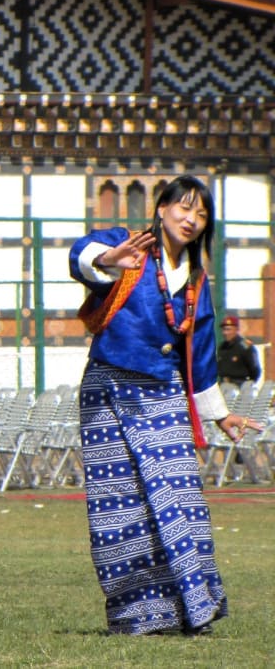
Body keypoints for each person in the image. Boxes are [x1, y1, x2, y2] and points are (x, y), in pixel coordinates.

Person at [69, 174, 258, 635]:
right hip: (107, 389)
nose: (191, 219)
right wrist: (109, 260)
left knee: (181, 496)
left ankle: (196, 605)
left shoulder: (196, 279)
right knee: (120, 505)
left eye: (201, 214)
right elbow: (81, 255)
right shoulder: (127, 244)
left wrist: (220, 414)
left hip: (165, 393)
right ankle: (140, 615)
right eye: (184, 207)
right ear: (161, 208)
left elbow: (202, 351)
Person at [216, 316, 260, 387]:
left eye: (228, 329)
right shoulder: (222, 347)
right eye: (224, 330)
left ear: (236, 330)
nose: (225, 333)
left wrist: (248, 385)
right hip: (223, 384)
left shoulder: (245, 346)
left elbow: (255, 370)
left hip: (240, 385)